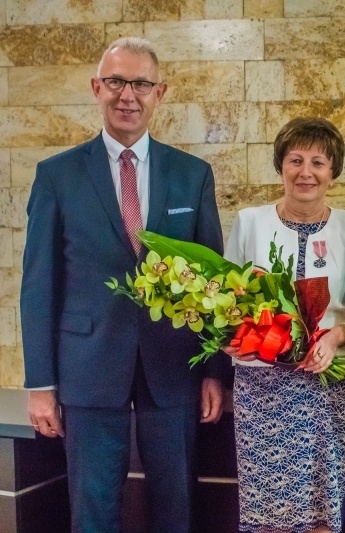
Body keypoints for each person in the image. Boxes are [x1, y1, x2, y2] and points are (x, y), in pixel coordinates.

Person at [20, 37, 226, 532]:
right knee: (92, 506)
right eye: (115, 82)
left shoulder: (193, 175)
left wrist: (215, 370)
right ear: (97, 88)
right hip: (87, 367)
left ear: (161, 92)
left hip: (174, 367)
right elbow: (38, 285)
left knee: (176, 504)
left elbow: (216, 282)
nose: (127, 95)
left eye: (140, 83)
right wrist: (40, 385)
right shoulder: (57, 176)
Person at [223, 117, 345, 533]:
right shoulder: (250, 222)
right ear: (280, 166)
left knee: (323, 505)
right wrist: (231, 337)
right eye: (295, 160)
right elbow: (226, 301)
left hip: (329, 386)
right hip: (262, 388)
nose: (306, 172)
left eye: (318, 162)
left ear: (333, 173)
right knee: (267, 512)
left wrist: (338, 337)